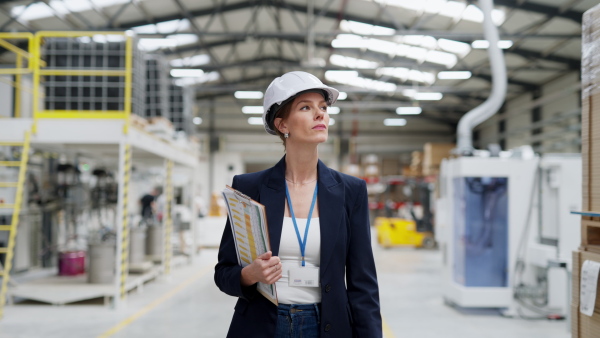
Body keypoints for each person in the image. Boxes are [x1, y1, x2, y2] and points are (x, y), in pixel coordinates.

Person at [215, 71, 382, 337]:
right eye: (306, 107)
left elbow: (363, 284)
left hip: (326, 326)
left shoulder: (351, 191)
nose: (320, 115)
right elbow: (224, 272)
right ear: (282, 125)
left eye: (323, 108)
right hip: (262, 325)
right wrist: (250, 274)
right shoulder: (249, 188)